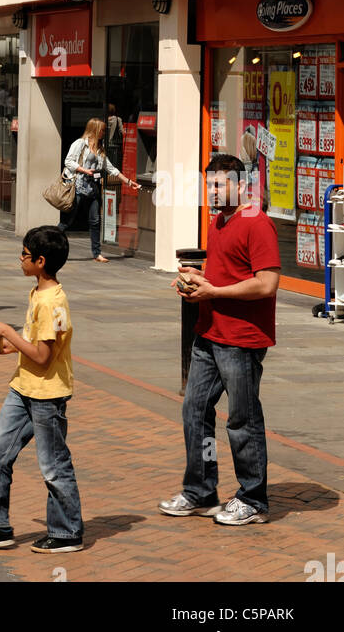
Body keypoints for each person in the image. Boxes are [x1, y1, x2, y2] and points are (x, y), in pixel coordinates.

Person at [159, 154, 281, 527]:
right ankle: (201, 490)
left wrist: (214, 290)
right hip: (209, 334)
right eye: (208, 184)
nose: (212, 191)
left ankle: (253, 498)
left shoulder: (256, 223)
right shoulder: (218, 221)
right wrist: (197, 279)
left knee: (242, 419)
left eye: (219, 184)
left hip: (241, 339)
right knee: (195, 411)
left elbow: (267, 283)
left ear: (241, 185)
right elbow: (225, 272)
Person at [0, 224, 84, 555]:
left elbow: (44, 358)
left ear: (41, 261)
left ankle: (66, 531)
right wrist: (7, 346)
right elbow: (35, 345)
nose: (21, 259)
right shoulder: (38, 294)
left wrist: (8, 332)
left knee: (53, 464)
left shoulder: (52, 303)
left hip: (47, 395)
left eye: (25, 255)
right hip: (23, 389)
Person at [63, 118, 139, 262]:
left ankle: (97, 253)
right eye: (103, 130)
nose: (105, 132)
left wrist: (129, 182)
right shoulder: (80, 144)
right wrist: (84, 170)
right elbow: (68, 161)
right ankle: (46, 245)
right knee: (68, 221)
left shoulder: (100, 149)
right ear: (95, 130)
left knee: (95, 221)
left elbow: (111, 169)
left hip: (93, 189)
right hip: (78, 187)